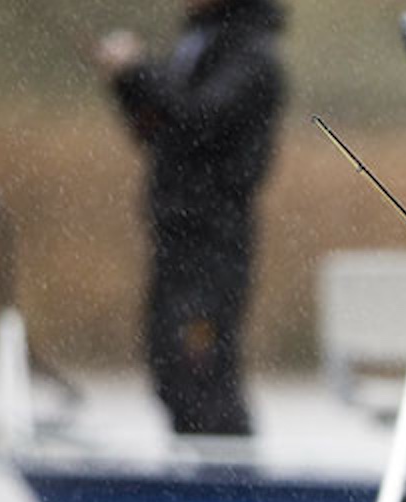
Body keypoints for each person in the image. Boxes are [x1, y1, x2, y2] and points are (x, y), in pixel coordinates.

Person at [94, 0, 287, 437]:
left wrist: (138, 71)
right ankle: (197, 482)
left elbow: (200, 120)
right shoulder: (196, 42)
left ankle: (233, 487)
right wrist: (127, 84)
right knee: (169, 369)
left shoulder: (252, 55)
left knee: (201, 370)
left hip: (214, 242)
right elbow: (160, 130)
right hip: (173, 237)